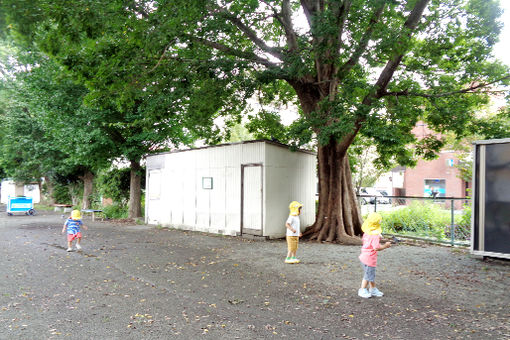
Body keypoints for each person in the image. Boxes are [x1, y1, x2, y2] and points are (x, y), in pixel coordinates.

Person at [358, 212, 391, 298]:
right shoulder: (375, 236)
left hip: (363, 257)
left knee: (369, 274)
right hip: (370, 259)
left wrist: (378, 237)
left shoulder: (367, 232)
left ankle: (372, 289)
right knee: (368, 275)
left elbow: (369, 241)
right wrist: (385, 246)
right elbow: (376, 247)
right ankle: (362, 290)